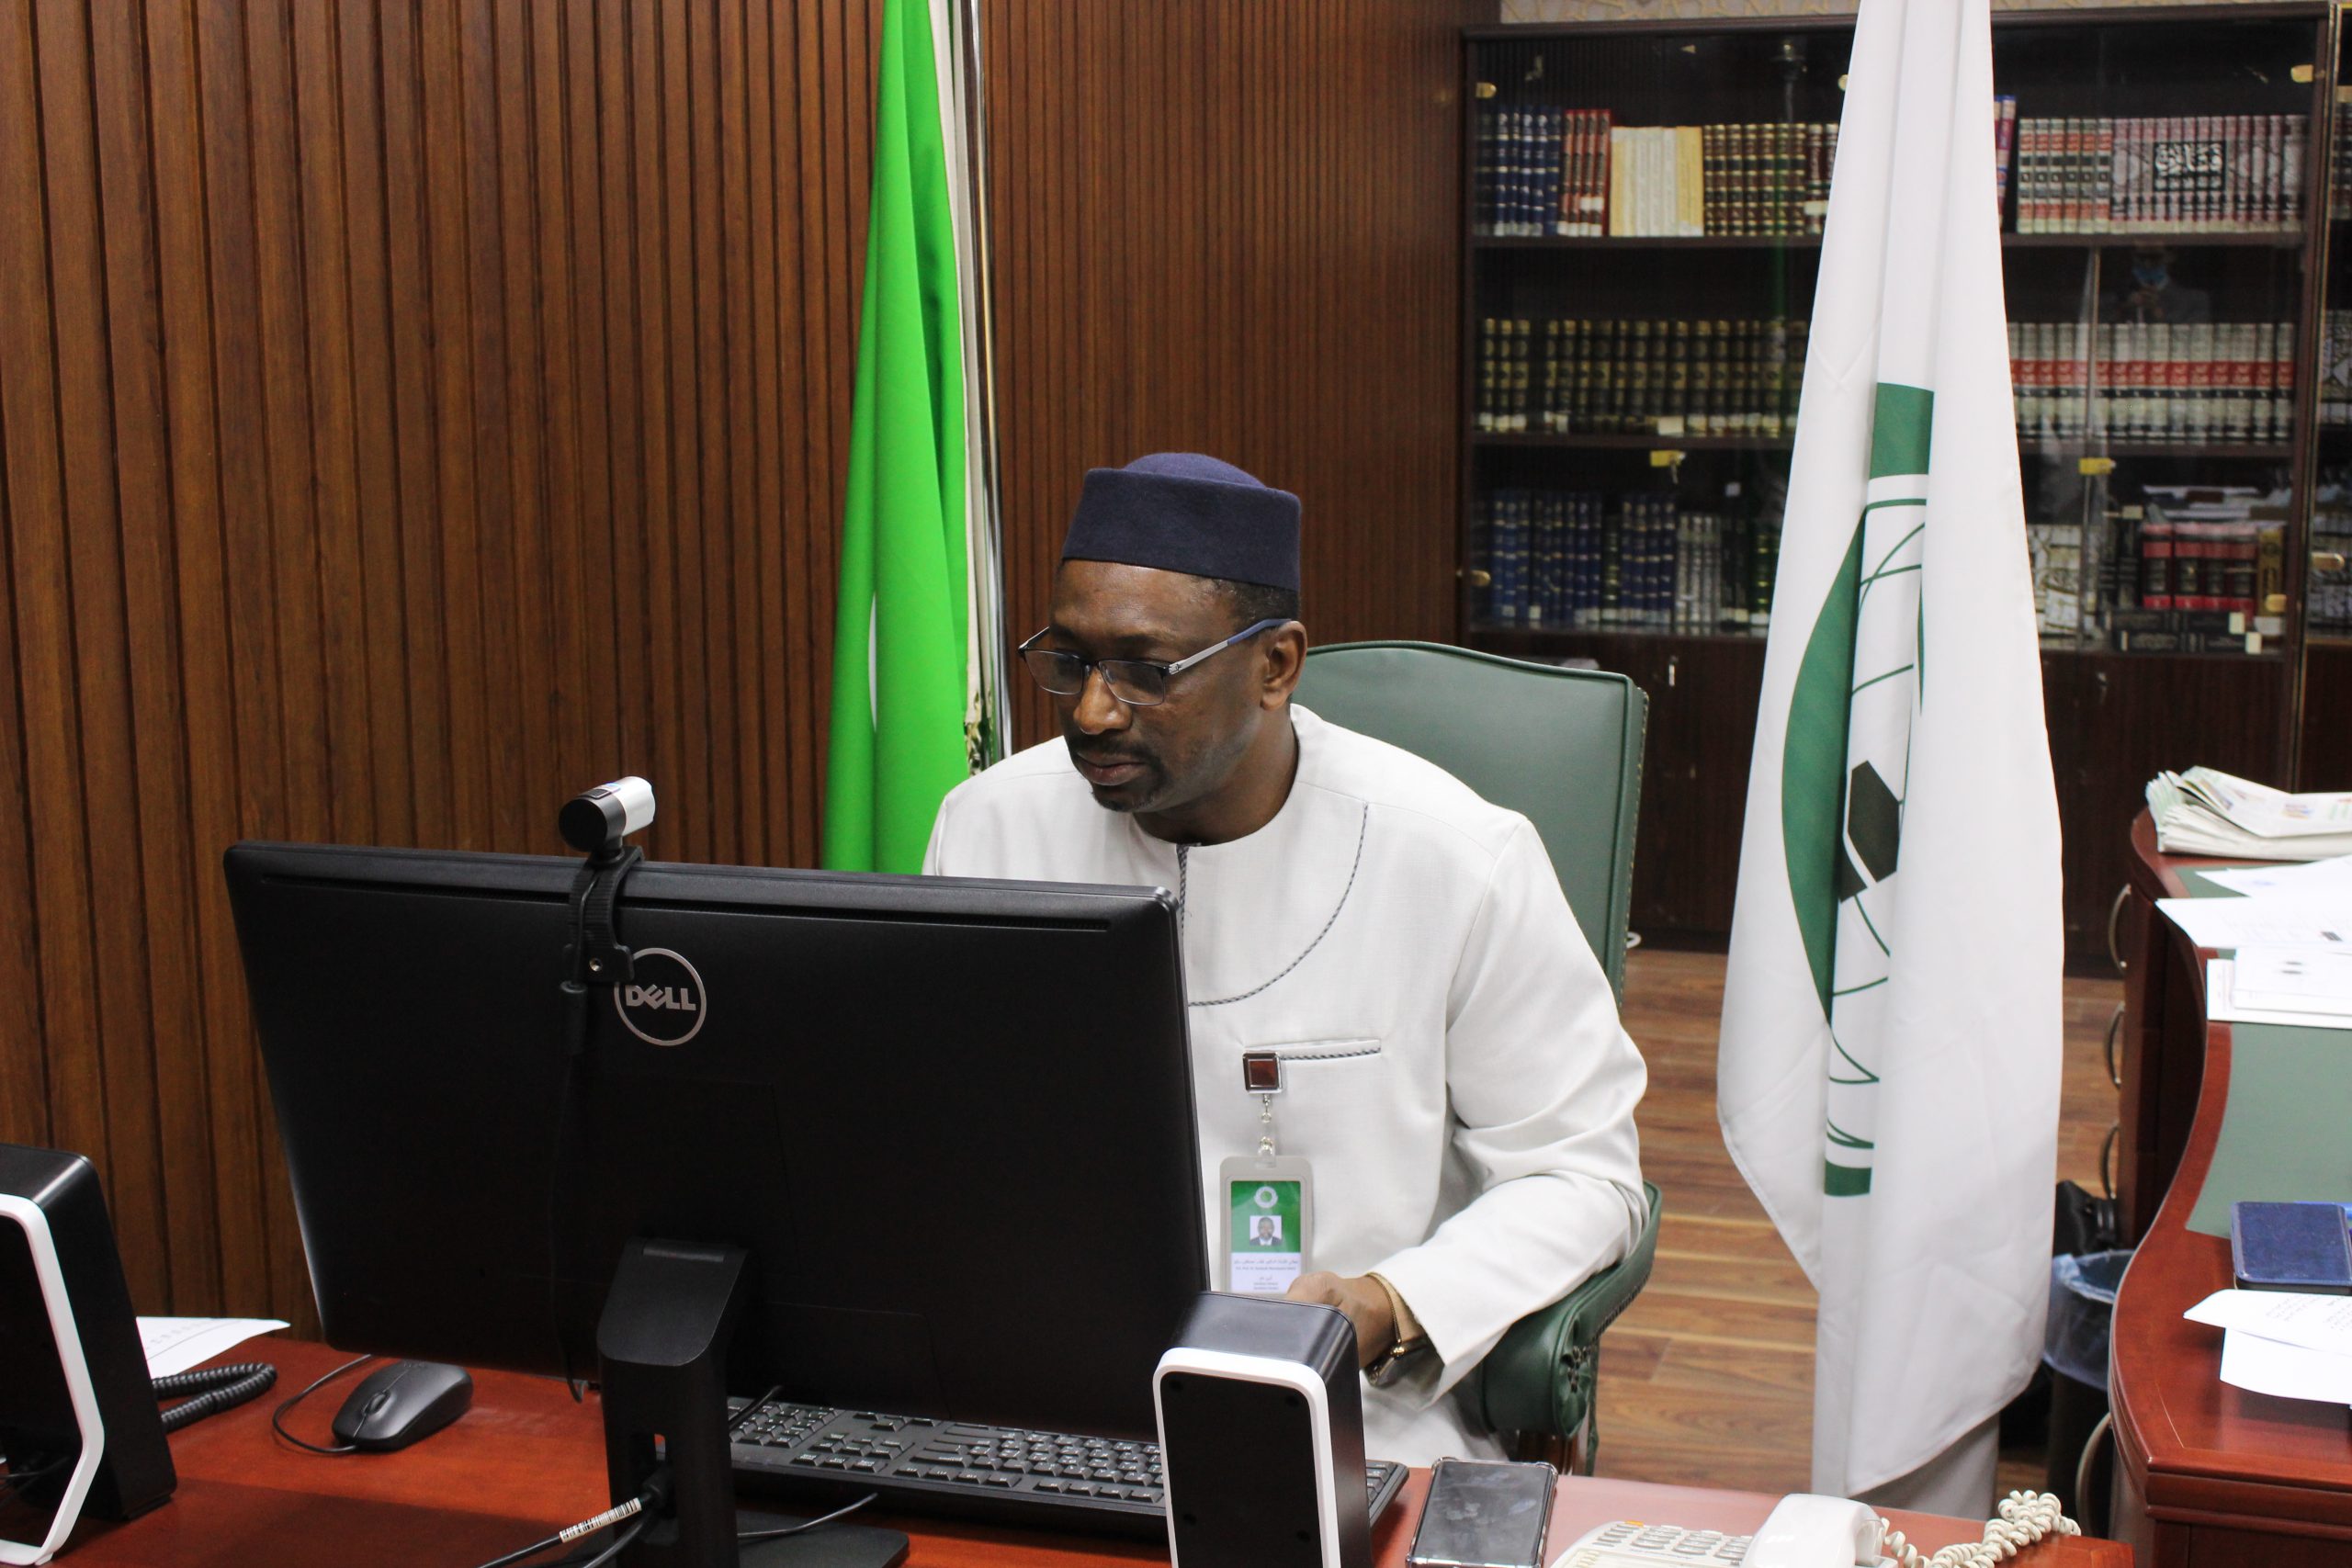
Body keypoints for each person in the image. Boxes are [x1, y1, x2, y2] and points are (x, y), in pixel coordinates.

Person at [922, 453, 1646, 1463]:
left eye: (1145, 670)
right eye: (1070, 661)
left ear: (1276, 666)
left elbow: (1581, 1174)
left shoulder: (1456, 858)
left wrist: (1389, 1302)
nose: (1092, 712)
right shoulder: (990, 828)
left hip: (1350, 1413)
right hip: (1054, 1401)